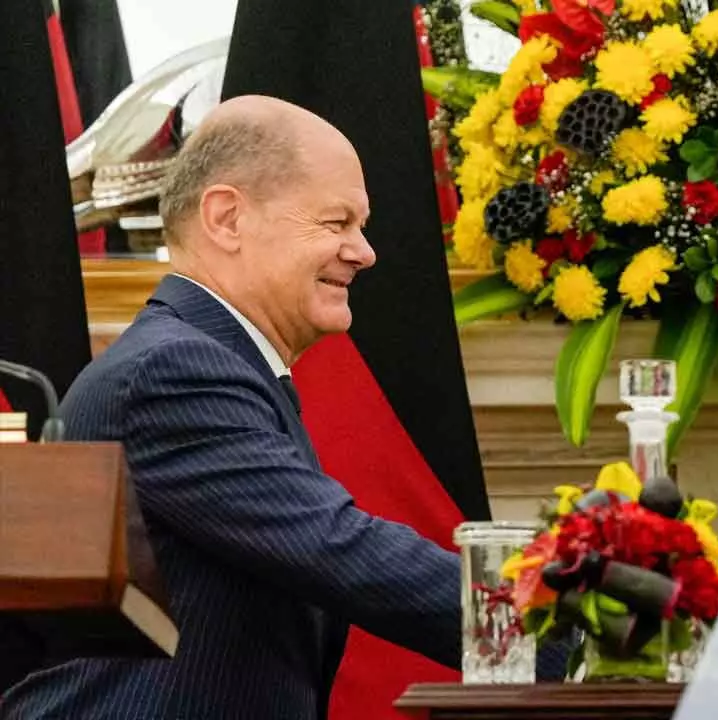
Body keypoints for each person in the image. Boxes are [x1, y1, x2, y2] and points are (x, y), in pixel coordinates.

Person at [0, 95, 560, 719]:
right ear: (227, 218)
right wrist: (573, 631)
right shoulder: (174, 370)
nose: (365, 251)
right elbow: (339, 547)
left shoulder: (215, 362)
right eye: (335, 222)